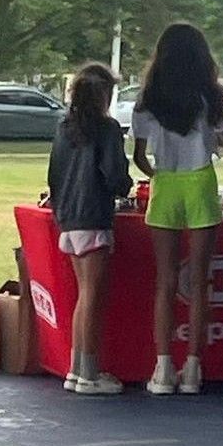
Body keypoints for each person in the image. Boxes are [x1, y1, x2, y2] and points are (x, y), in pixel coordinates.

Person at [131, 24, 223, 395]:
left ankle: (162, 367)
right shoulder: (210, 96)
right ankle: (193, 368)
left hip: (166, 183)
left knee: (166, 281)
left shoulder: (148, 99)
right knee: (200, 282)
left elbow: (140, 157)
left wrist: (158, 174)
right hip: (201, 180)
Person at [47, 63, 133, 396]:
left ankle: (76, 368)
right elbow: (114, 174)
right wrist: (123, 185)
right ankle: (89, 372)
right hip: (94, 216)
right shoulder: (107, 129)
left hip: (68, 217)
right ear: (106, 94)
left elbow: (54, 174)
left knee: (84, 295)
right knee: (92, 296)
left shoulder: (63, 128)